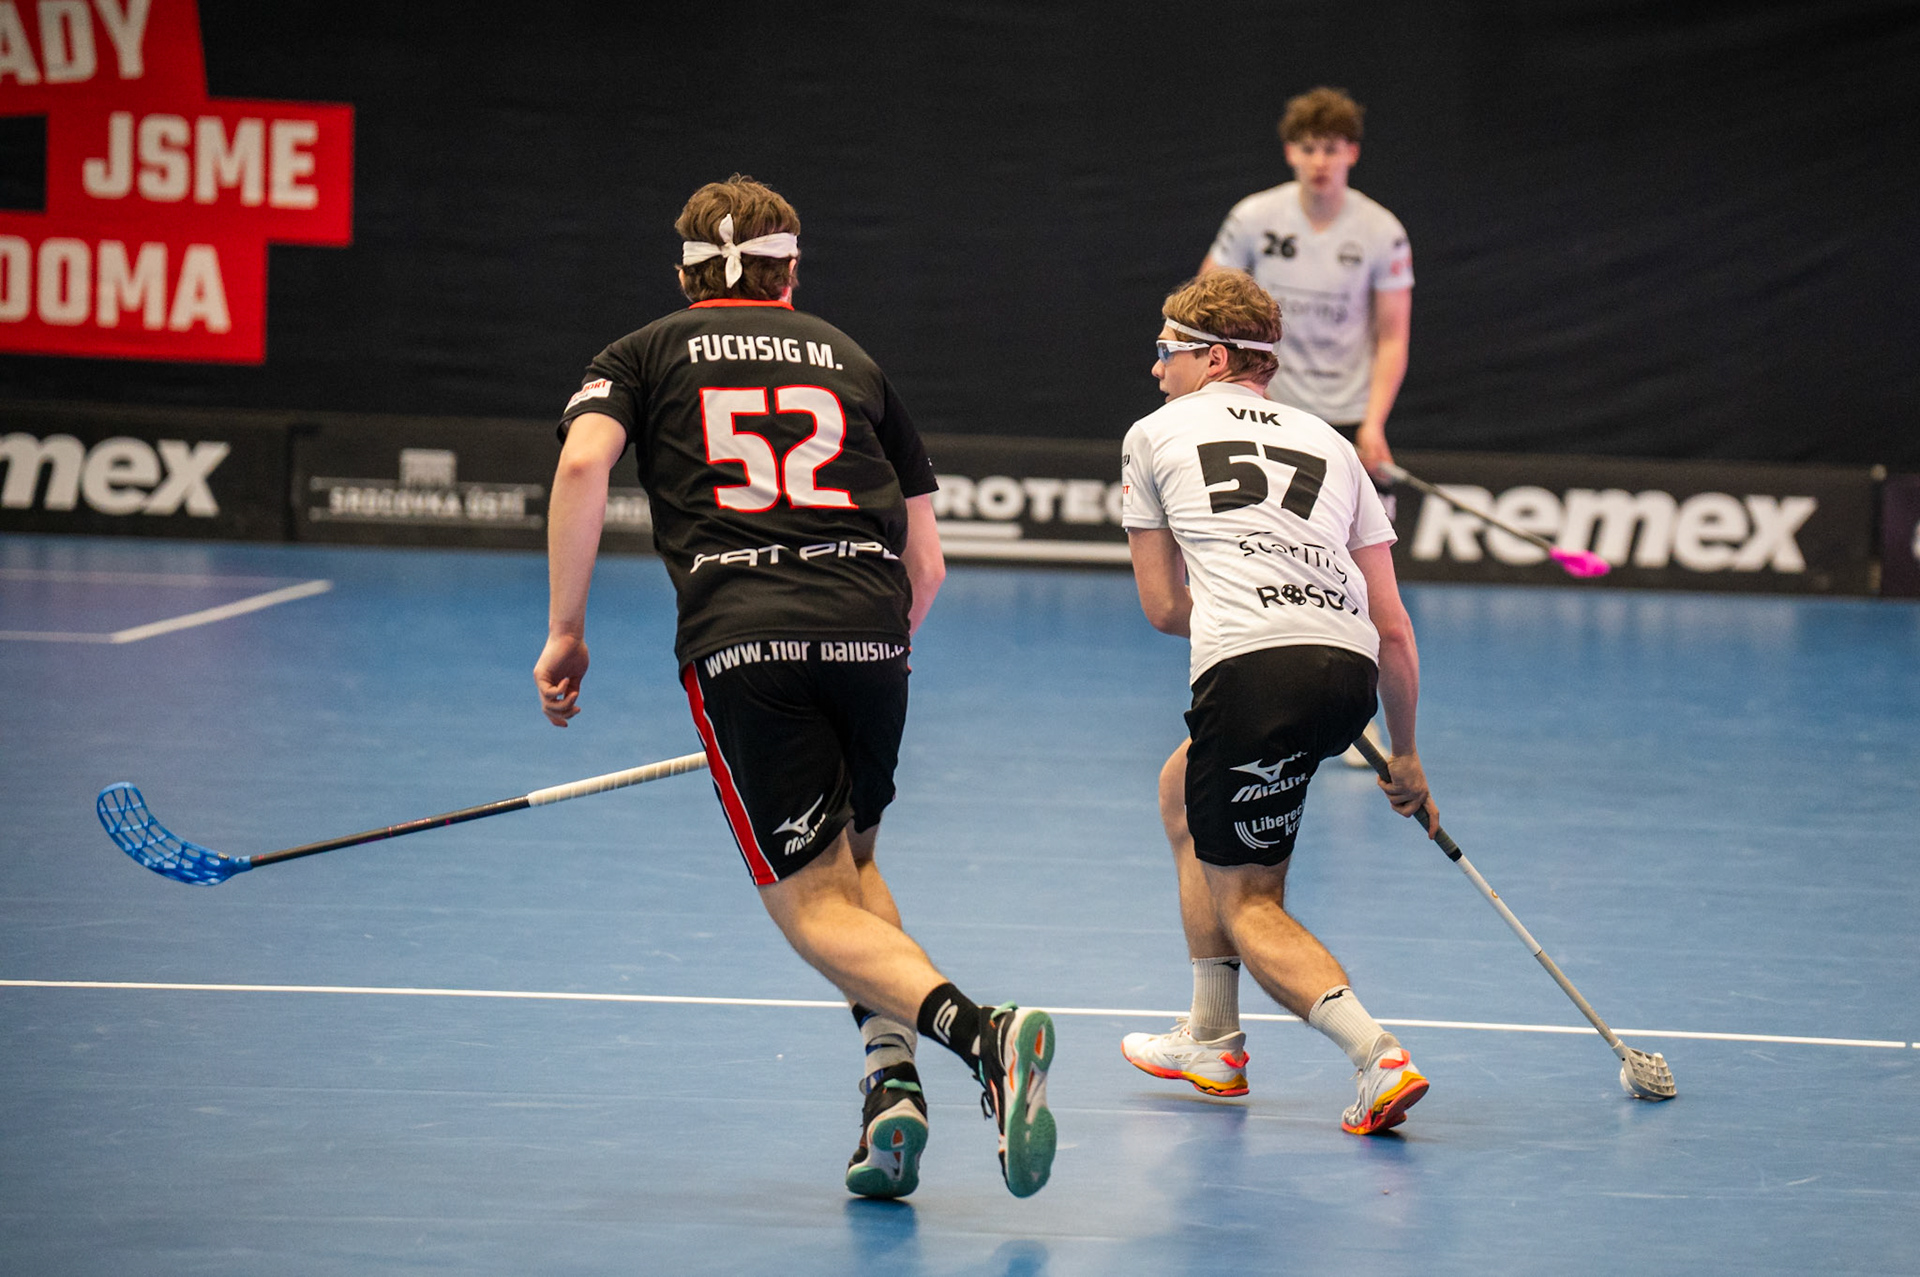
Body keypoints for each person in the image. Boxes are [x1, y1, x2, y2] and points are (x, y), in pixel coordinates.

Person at [535, 175, 1056, 1199]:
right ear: (791, 272)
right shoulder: (852, 358)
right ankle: (889, 1083)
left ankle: (981, 1035)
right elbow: (929, 564)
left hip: (743, 639)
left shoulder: (637, 353)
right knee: (853, 865)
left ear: (684, 274)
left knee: (812, 904)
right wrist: (870, 647)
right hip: (872, 630)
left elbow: (583, 466)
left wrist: (566, 631)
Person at [1117, 269, 1437, 1135]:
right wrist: (1406, 753)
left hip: (1257, 673)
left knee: (1251, 899)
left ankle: (1377, 1056)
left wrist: (1253, 617)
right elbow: (1394, 626)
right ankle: (1212, 1036)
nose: (1156, 368)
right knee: (1181, 792)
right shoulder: (1333, 445)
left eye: (1167, 351)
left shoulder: (1152, 434)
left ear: (1216, 358)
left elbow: (1163, 608)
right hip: (1349, 670)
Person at [1201, 85, 1411, 769]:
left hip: (1346, 422)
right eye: (1309, 147)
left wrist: (1373, 422)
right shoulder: (1254, 218)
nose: (1321, 160)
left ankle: (1358, 720)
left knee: (1361, 581)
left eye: (1333, 148)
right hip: (1267, 413)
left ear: (1352, 153)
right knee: (1277, 563)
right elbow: (1204, 309)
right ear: (1291, 152)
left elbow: (1392, 336)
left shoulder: (1381, 231)